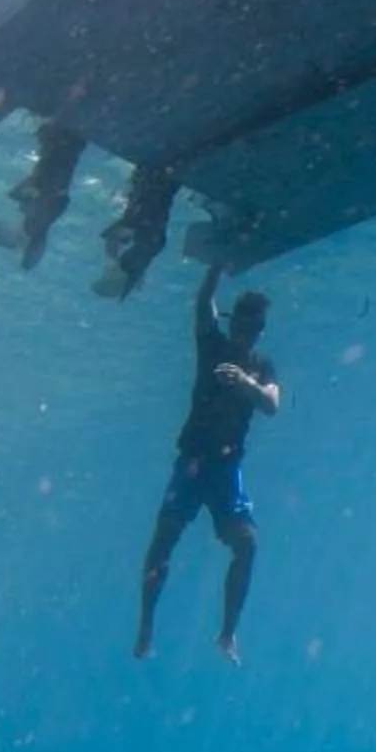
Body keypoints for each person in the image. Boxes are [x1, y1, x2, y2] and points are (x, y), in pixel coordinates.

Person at [136, 266, 278, 663]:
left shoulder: (263, 366)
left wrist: (246, 384)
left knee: (247, 545)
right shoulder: (212, 346)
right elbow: (203, 304)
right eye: (241, 325)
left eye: (252, 329)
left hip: (225, 469)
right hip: (193, 462)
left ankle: (227, 634)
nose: (244, 334)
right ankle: (146, 625)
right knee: (163, 542)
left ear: (259, 331)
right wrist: (218, 265)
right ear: (233, 324)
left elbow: (271, 405)